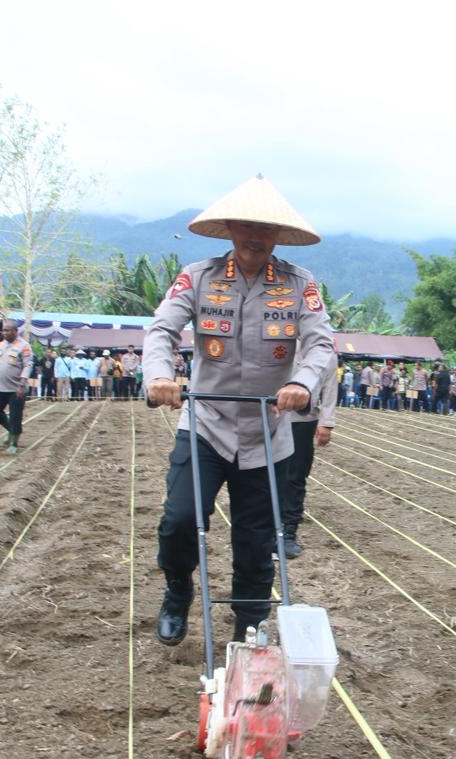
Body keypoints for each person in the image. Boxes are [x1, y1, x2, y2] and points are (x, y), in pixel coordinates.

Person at [145, 175, 334, 645]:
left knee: (257, 542)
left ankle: (248, 625)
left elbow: (320, 343)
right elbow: (161, 331)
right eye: (246, 225)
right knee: (179, 520)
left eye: (266, 228)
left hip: (268, 432)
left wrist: (301, 383)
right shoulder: (199, 276)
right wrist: (160, 377)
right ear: (230, 228)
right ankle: (177, 588)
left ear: (278, 236)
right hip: (206, 423)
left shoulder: (299, 284)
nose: (255, 235)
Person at [282, 351, 339, 558]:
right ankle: (265, 526)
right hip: (269, 416)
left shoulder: (324, 352)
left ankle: (288, 530)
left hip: (303, 421)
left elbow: (330, 386)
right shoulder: (278, 336)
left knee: (295, 476)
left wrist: (326, 422)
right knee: (262, 472)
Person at [0, 320, 33, 454]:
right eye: (3, 330)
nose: (4, 333)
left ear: (15, 331)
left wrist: (22, 383)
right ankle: (10, 430)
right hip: (0, 388)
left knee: (16, 416)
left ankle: (14, 444)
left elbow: (28, 365)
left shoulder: (24, 346)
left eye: (8, 330)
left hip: (16, 389)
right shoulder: (0, 345)